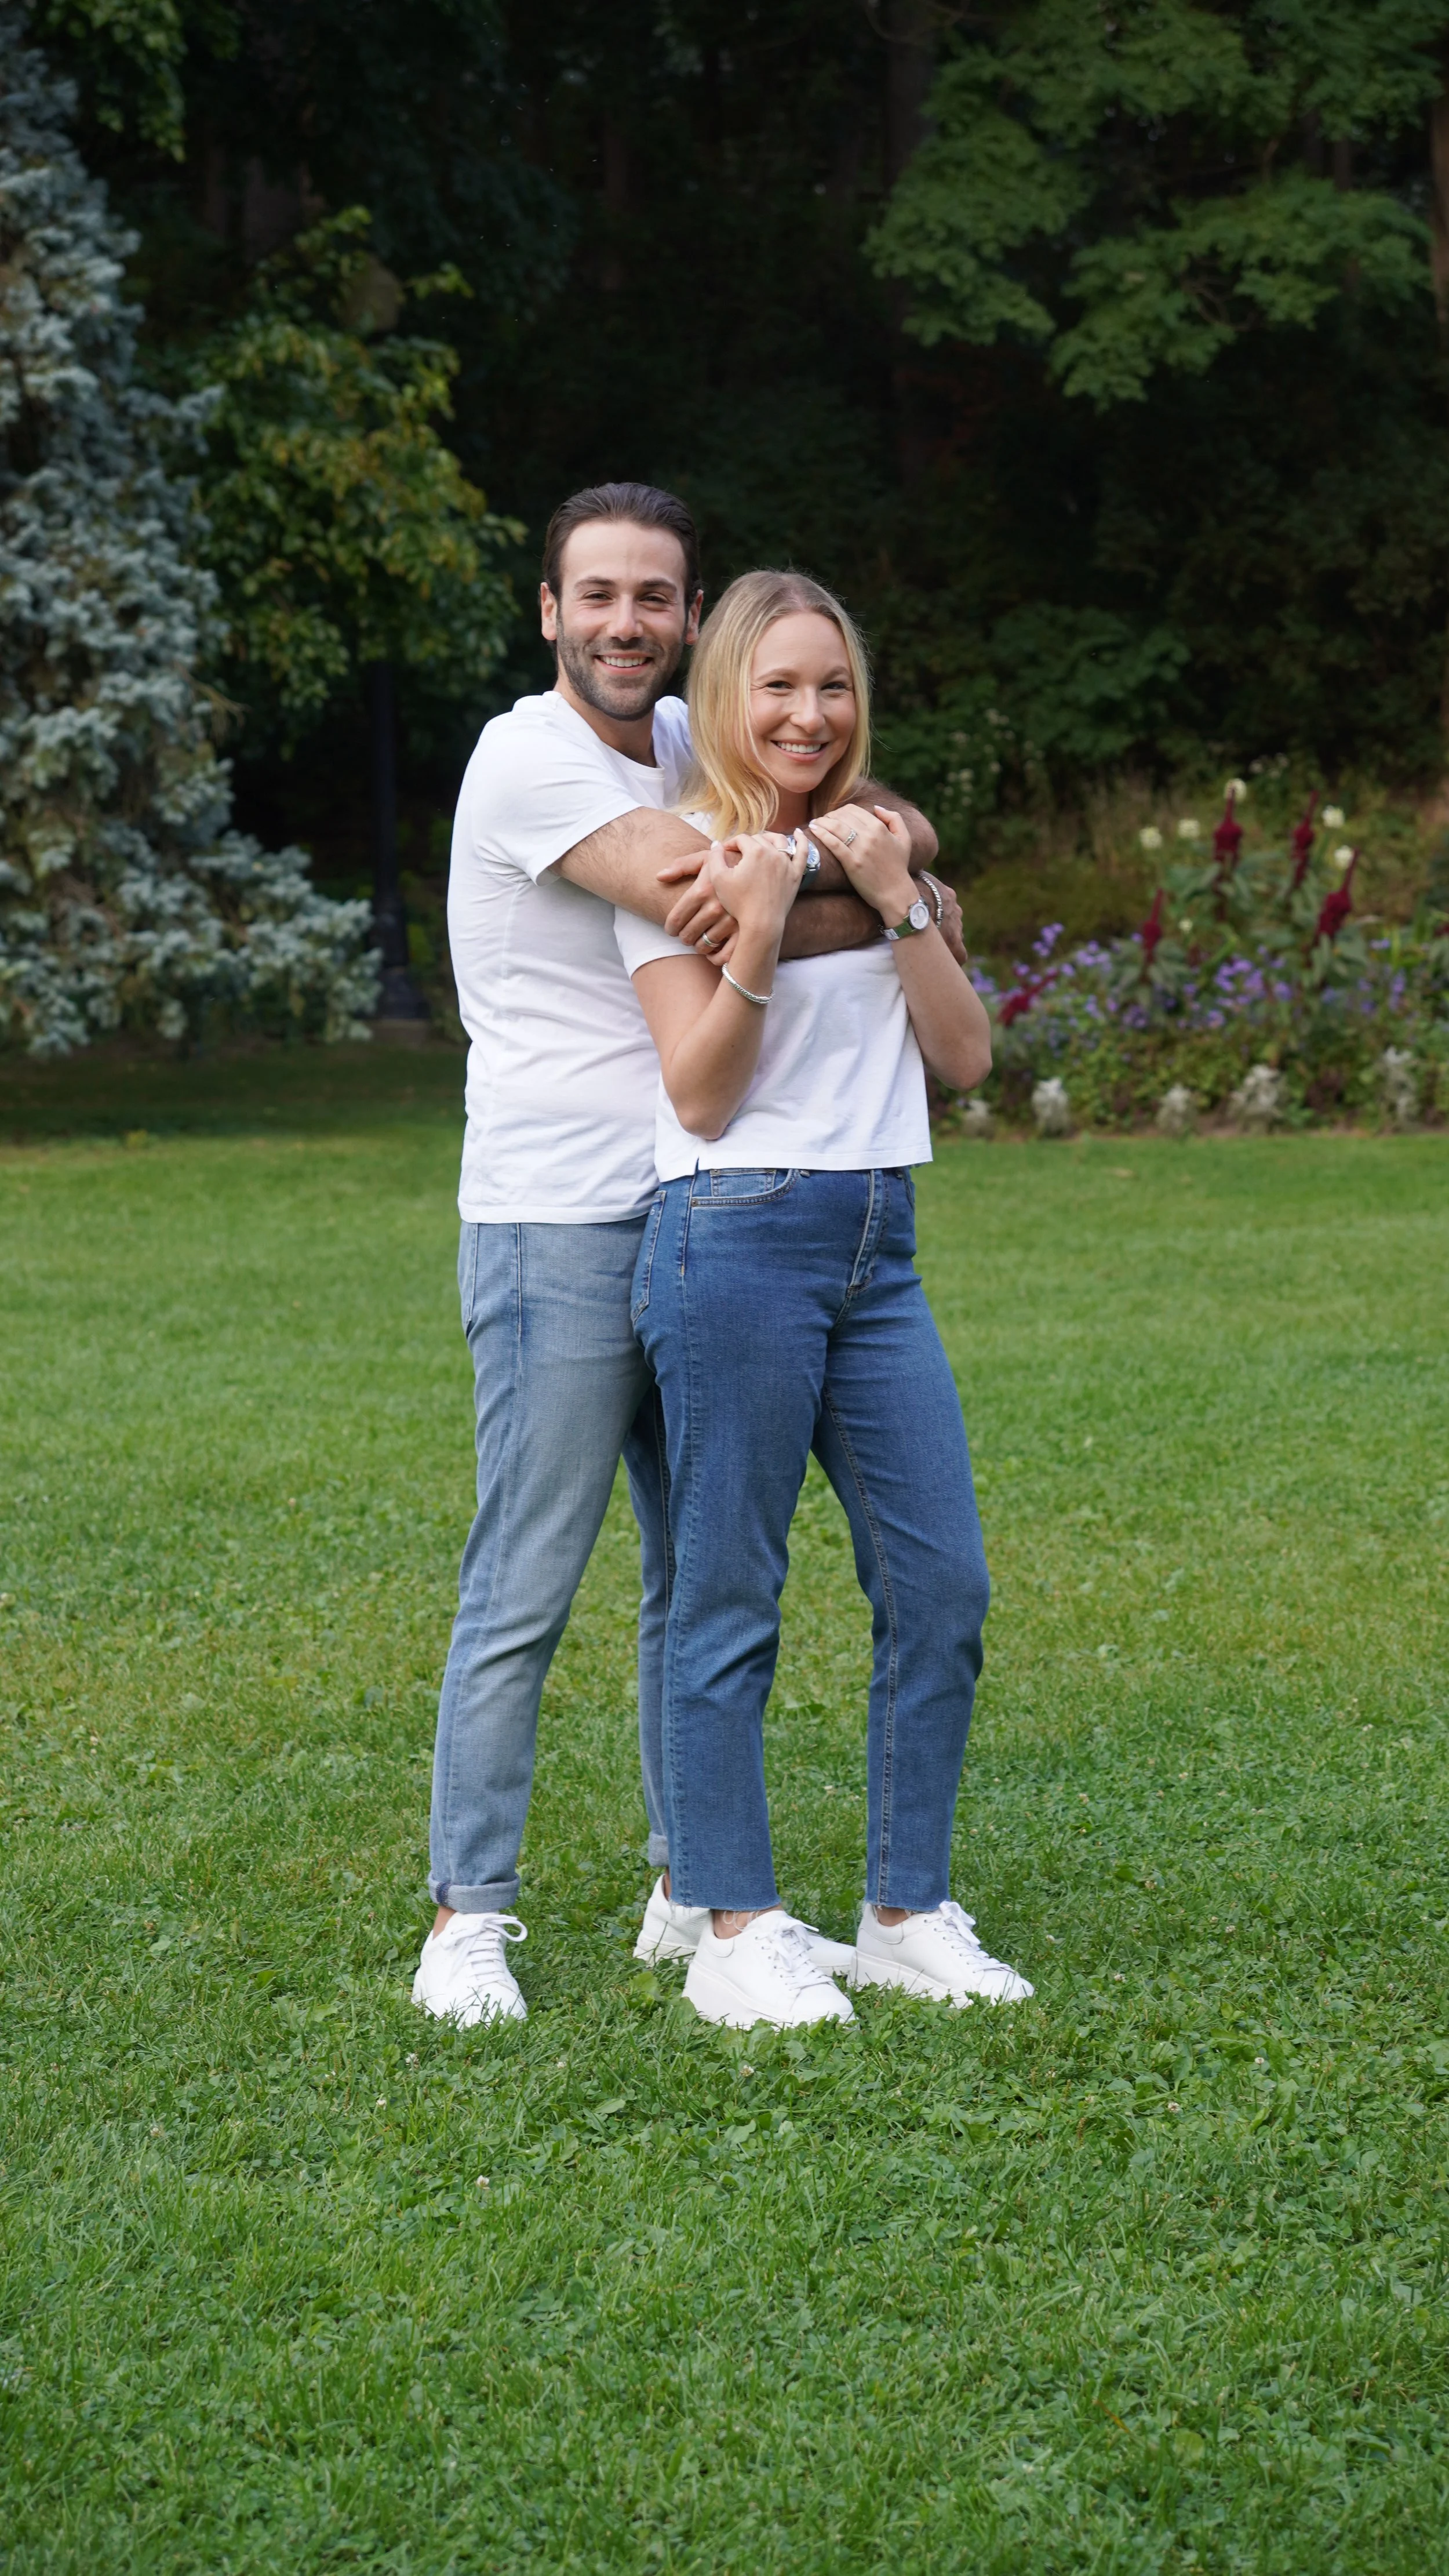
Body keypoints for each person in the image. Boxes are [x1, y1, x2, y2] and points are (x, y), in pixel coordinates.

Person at [413, 484, 951, 2029]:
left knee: (683, 1568)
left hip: (685, 1204)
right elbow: (712, 903)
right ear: (548, 611)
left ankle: (681, 1884)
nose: (627, 623)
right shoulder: (528, 758)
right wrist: (901, 893)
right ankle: (468, 1916)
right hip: (554, 1215)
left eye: (655, 596)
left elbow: (851, 820)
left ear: (687, 610)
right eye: (598, 596)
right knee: (528, 1571)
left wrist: (881, 848)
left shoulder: (670, 743)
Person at [617, 569, 1033, 2029]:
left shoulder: (883, 851)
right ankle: (729, 1923)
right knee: (727, 1592)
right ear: (725, 695)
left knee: (941, 1588)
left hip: (877, 1246)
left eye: (833, 684)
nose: (808, 712)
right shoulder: (676, 859)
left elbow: (964, 1058)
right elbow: (702, 1092)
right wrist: (757, 920)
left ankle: (903, 1910)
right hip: (728, 1238)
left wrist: (895, 893)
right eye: (778, 685)